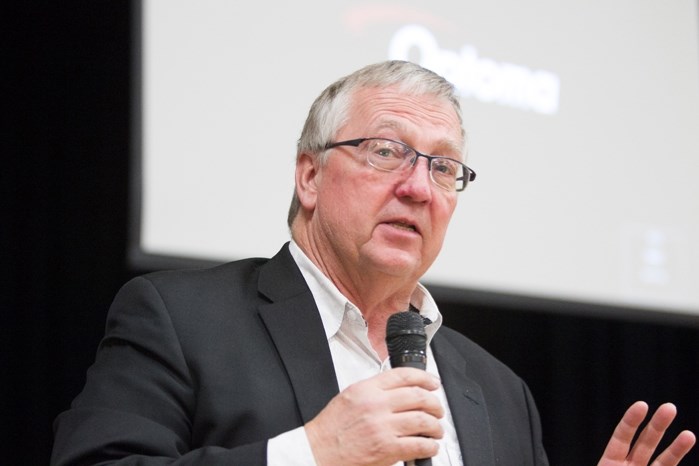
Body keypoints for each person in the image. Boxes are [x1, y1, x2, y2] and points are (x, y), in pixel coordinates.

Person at [51, 61, 695, 466]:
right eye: (386, 151)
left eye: (443, 167)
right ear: (309, 175)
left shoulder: (501, 393)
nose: (418, 187)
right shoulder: (181, 318)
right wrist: (313, 453)